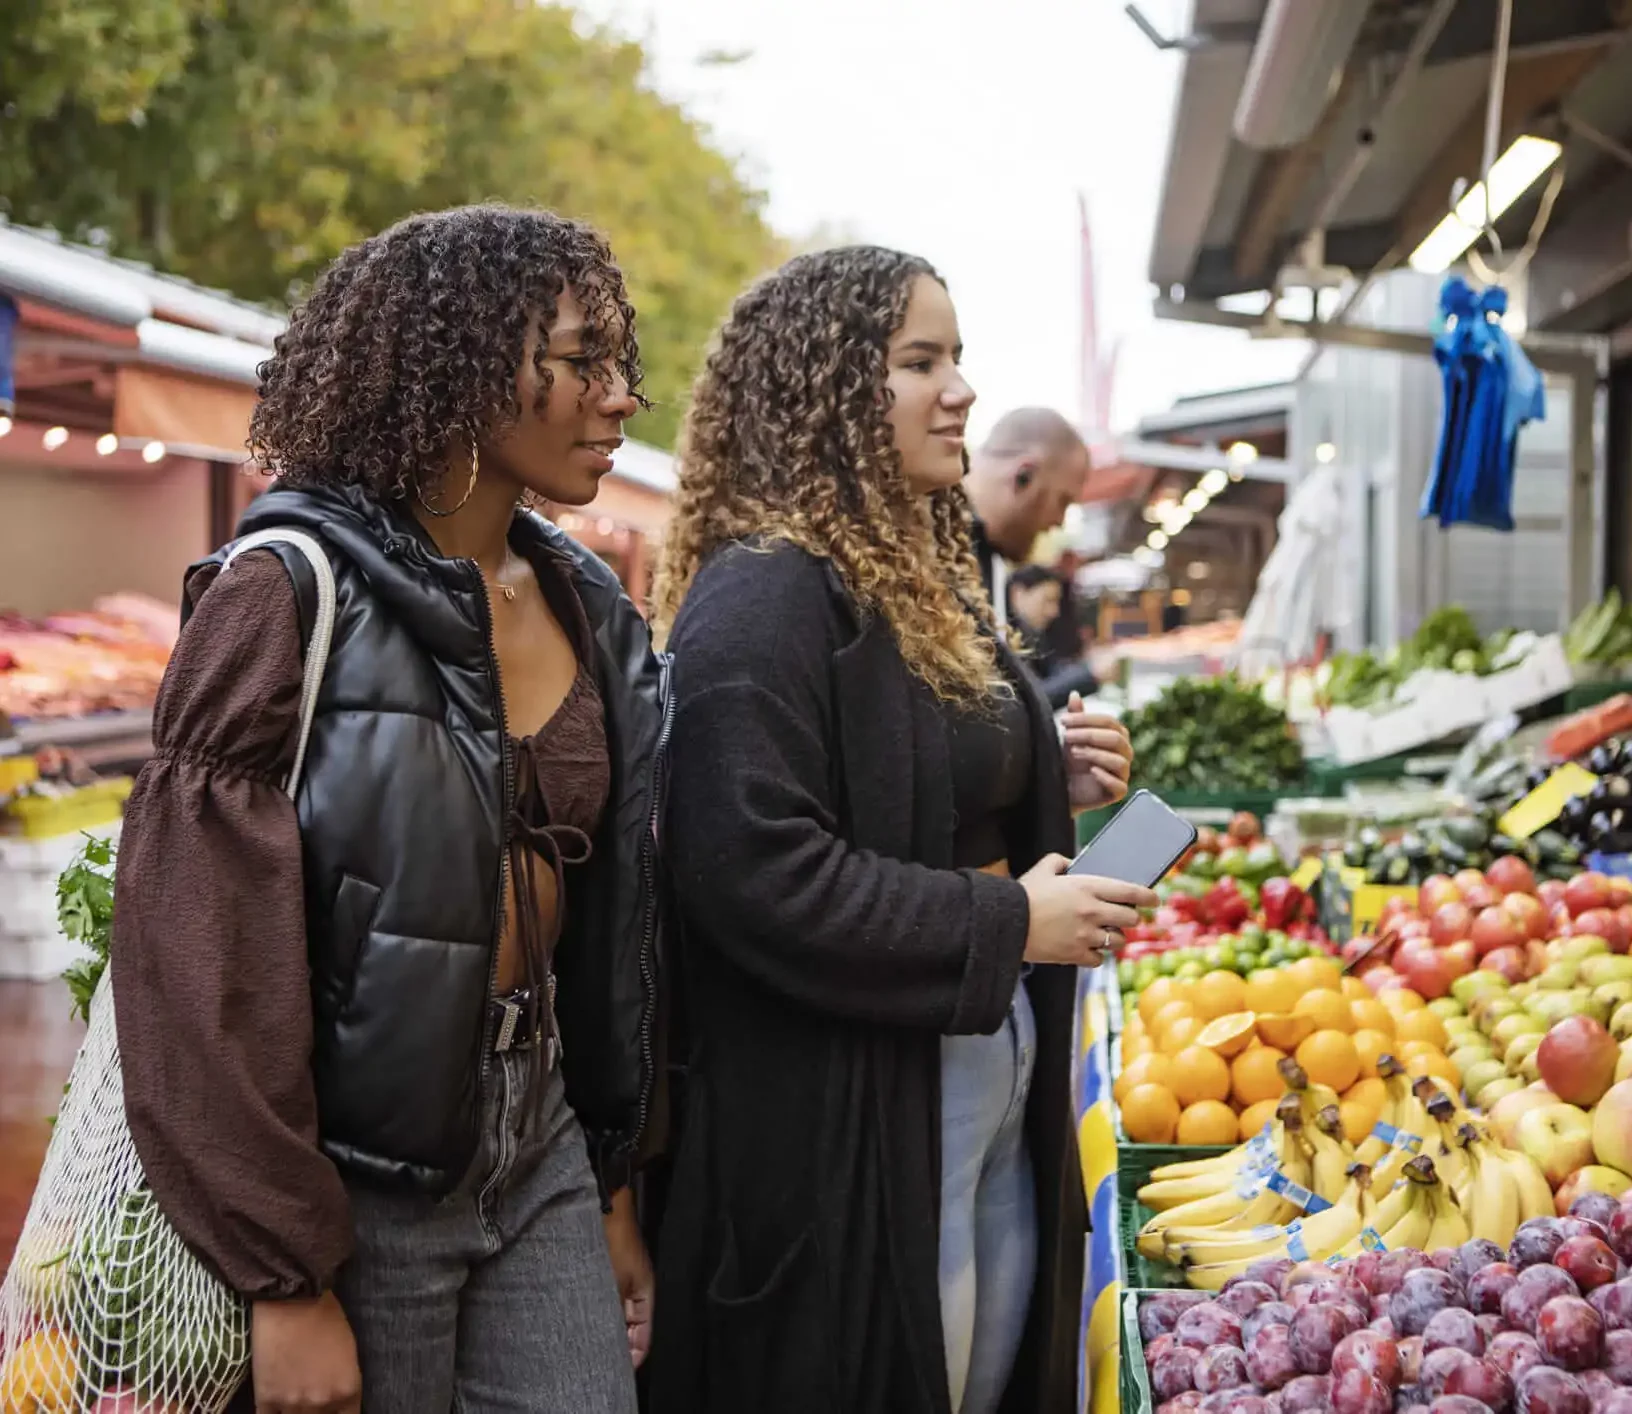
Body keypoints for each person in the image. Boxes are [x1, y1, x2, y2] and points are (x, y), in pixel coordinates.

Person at [109, 206, 669, 1414]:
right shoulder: (285, 593)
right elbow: (196, 961)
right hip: (355, 1184)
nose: (623, 398)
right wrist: (285, 1277)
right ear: (463, 368)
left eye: (620, 362)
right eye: (584, 360)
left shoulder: (588, 605)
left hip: (542, 1136)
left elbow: (614, 918)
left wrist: (610, 1178)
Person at [645, 246, 1155, 1414]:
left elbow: (909, 778)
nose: (961, 390)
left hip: (975, 1055)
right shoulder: (764, 595)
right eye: (919, 361)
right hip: (858, 1100)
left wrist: (1047, 777)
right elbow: (751, 866)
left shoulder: (909, 571)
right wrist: (1011, 915)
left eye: (958, 358)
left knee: (974, 1371)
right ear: (822, 394)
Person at [963, 407, 1092, 625]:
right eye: (1063, 501)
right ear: (1024, 476)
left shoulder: (985, 560)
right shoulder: (926, 552)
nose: (1059, 522)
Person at [1008, 564, 1101, 710]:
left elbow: (1054, 669)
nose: (1054, 612)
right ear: (1018, 594)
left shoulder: (1034, 636)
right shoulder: (1004, 640)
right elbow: (1031, 700)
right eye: (1047, 600)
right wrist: (1090, 674)